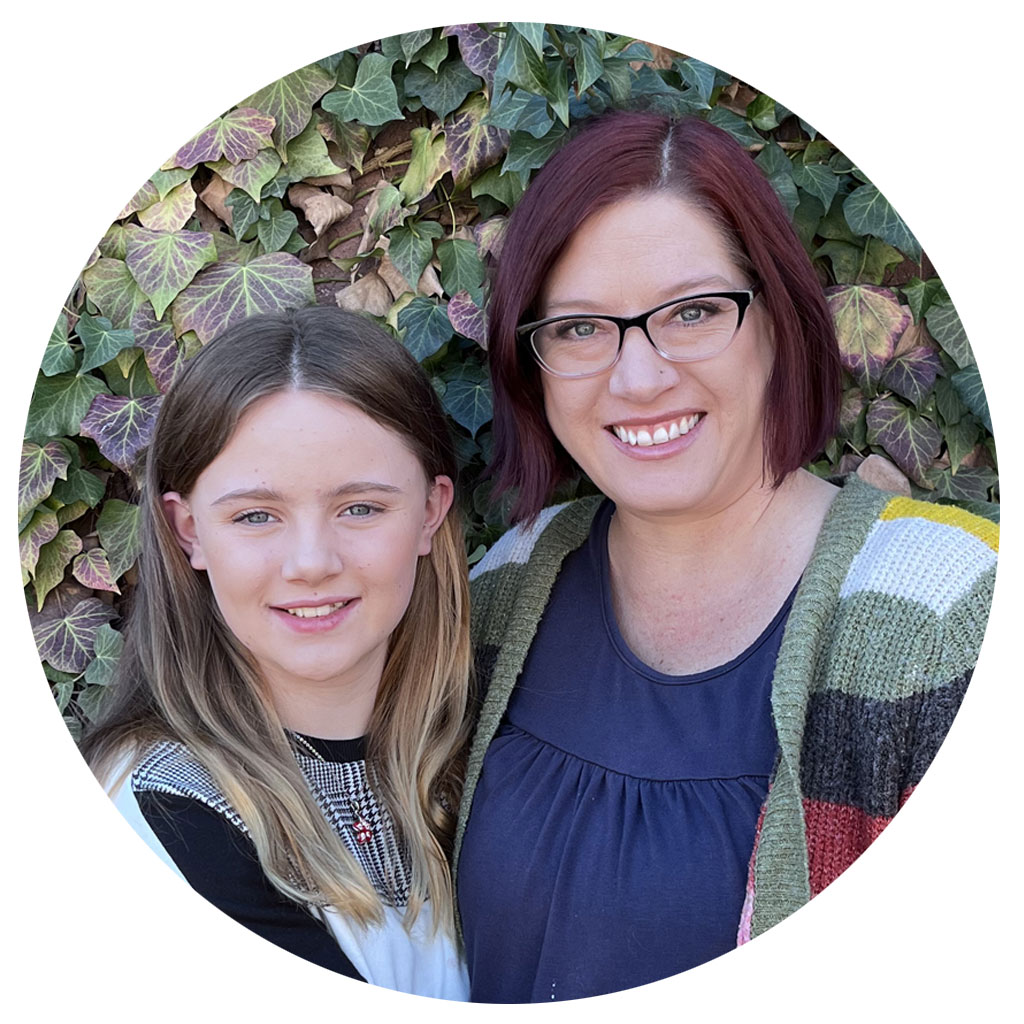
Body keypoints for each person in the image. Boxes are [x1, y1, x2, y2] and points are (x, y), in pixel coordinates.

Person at [453, 111, 998, 1002]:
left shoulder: (952, 615)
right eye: (582, 328)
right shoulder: (501, 591)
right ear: (534, 362)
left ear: (778, 320)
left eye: (695, 311)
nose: (639, 377)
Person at [83, 306, 471, 998]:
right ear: (188, 531)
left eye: (360, 508)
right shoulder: (168, 811)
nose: (311, 563)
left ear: (430, 512)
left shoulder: (486, 747)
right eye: (256, 516)